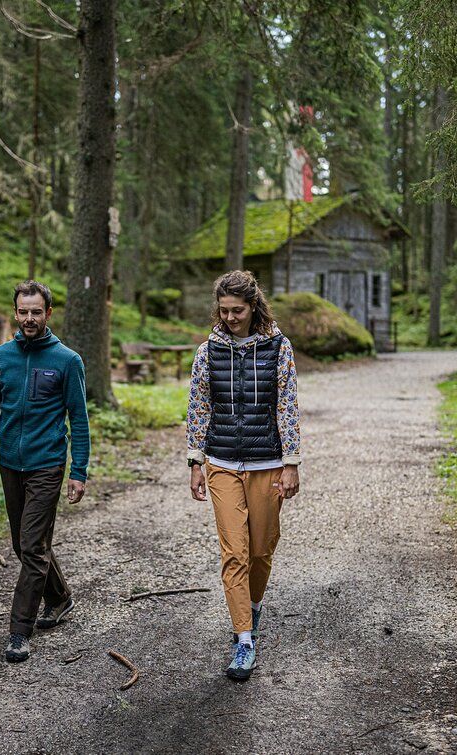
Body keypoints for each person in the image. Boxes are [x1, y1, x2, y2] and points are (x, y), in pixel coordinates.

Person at [186, 270, 301, 681]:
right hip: (221, 463)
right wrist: (195, 461)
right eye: (224, 310)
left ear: (254, 307)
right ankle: (244, 639)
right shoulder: (208, 351)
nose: (231, 317)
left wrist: (291, 462)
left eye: (238, 310)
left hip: (267, 463)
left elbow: (286, 405)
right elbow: (199, 406)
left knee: (260, 550)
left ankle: (251, 607)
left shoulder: (278, 348)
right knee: (234, 552)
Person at [0, 280, 90, 663]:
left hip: (47, 464)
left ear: (48, 314)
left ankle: (19, 632)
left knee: (30, 548)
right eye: (23, 311)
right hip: (10, 463)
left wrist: (79, 470)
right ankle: (60, 598)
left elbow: (80, 419)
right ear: (15, 312)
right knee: (26, 546)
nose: (28, 318)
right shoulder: (0, 357)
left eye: (36, 312)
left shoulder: (67, 361)